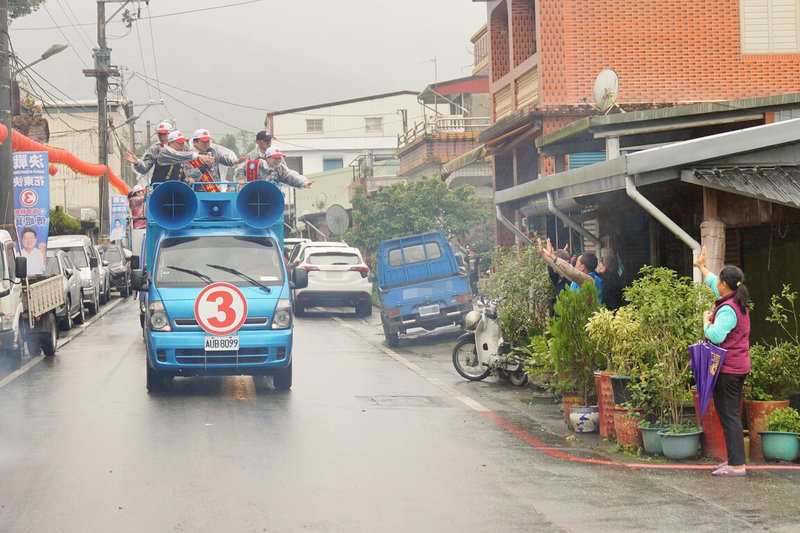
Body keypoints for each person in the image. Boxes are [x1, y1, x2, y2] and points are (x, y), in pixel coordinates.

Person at [694, 246, 751, 477]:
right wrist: (700, 266)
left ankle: (737, 465)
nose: (716, 283)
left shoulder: (728, 309)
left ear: (726, 286)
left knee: (729, 416)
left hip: (728, 371)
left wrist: (706, 321)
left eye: (720, 281)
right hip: (737, 367)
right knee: (730, 415)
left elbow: (716, 335)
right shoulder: (735, 300)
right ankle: (733, 461)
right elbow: (713, 281)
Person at [537, 237, 603, 303]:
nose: (574, 265)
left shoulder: (591, 280)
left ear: (582, 267)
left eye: (577, 263)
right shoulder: (578, 279)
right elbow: (562, 271)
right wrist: (545, 256)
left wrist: (552, 256)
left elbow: (570, 271)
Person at [234, 147, 313, 188]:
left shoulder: (280, 169)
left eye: (279, 158)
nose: (278, 160)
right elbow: (239, 169)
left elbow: (290, 177)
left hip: (270, 196)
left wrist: (303, 183)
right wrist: (240, 178)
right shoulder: (255, 165)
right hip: (252, 193)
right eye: (275, 158)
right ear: (267, 157)